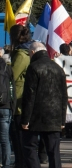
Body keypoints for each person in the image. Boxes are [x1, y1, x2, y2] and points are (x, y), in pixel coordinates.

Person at [20, 42, 67, 168]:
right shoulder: (58, 68)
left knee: (29, 147)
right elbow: (64, 96)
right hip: (54, 117)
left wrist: (25, 120)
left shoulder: (33, 67)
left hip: (36, 116)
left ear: (33, 52)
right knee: (54, 151)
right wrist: (62, 120)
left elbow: (30, 96)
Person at [10, 24, 33, 168]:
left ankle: (21, 162)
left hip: (18, 98)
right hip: (20, 97)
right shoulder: (24, 52)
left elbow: (12, 75)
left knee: (18, 135)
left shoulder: (20, 54)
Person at [0, 46, 14, 168]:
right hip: (5, 106)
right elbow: (12, 87)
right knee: (5, 138)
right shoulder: (8, 67)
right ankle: (6, 164)